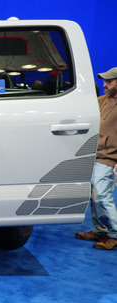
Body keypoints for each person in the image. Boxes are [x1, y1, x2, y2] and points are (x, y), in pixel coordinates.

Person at [75, 67, 117, 250]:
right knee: (94, 195)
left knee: (101, 195)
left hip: (110, 157)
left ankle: (114, 234)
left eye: (109, 81)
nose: (104, 85)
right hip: (95, 154)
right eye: (104, 81)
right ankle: (100, 230)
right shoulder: (102, 100)